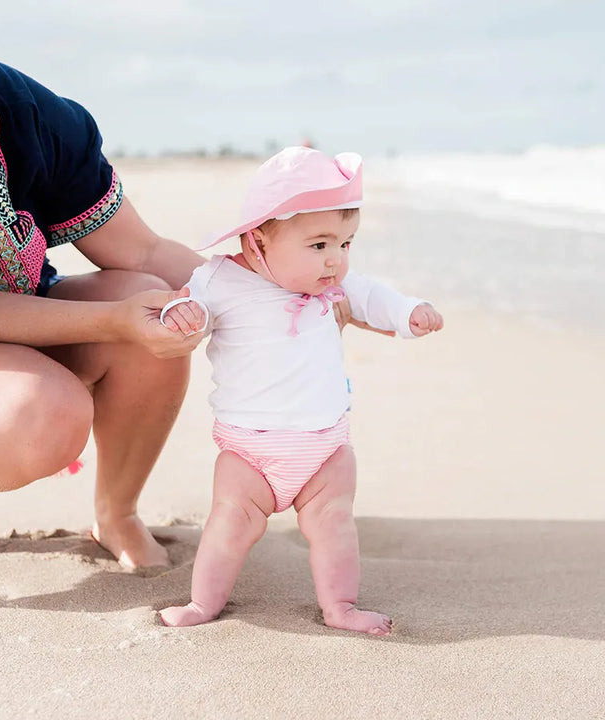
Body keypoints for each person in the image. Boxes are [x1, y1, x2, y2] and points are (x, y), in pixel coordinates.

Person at [0, 0, 207, 568]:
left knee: (151, 304)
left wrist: (272, 292)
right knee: (37, 418)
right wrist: (110, 321)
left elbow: (142, 249)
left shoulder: (17, 104)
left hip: (16, 308)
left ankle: (118, 512)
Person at [158, 146, 443, 634]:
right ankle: (203, 603)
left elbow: (375, 297)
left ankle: (341, 607)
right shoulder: (220, 279)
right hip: (250, 452)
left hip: (325, 448)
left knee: (335, 524)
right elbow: (193, 309)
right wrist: (181, 315)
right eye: (319, 246)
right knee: (229, 524)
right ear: (257, 242)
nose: (336, 261)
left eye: (346, 244)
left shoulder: (331, 287)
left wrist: (408, 313)